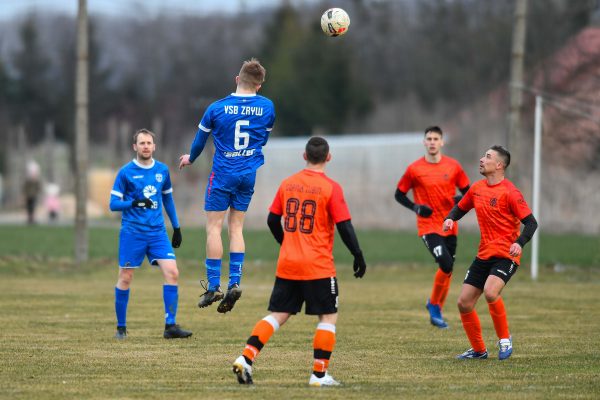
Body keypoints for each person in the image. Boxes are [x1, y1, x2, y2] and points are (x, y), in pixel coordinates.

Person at [231, 137, 367, 387]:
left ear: (304, 156)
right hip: (318, 265)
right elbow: (344, 226)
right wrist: (357, 254)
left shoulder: (288, 183)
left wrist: (286, 242)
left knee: (277, 315)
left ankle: (246, 357)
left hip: (289, 263)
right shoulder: (331, 187)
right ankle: (319, 375)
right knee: (328, 317)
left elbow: (273, 220)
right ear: (328, 158)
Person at [179, 58, 275, 314]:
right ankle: (235, 282)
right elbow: (263, 137)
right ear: (259, 86)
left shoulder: (217, 108)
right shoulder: (267, 107)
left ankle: (214, 286)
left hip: (223, 173)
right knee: (237, 228)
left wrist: (190, 158)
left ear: (237, 79)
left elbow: (199, 142)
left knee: (213, 227)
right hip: (248, 173)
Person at [443, 145, 538, 360]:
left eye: (487, 157)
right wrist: (450, 218)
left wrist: (520, 242)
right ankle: (478, 350)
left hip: (507, 255)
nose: (481, 159)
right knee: (464, 303)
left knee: (491, 292)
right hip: (484, 254)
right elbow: (460, 207)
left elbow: (531, 223)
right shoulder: (477, 188)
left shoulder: (510, 193)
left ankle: (505, 339)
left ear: (499, 165)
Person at [110, 128, 192, 340]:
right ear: (134, 147)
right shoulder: (125, 172)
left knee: (172, 272)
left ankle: (170, 326)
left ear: (154, 147)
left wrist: (177, 227)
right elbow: (113, 204)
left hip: (157, 232)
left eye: (149, 143)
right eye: (142, 143)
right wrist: (134, 202)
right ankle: (121, 328)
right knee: (125, 277)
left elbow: (168, 200)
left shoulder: (162, 170)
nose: (146, 146)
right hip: (132, 233)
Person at [395, 126, 470, 328]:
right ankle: (434, 305)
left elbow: (469, 193)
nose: (432, 142)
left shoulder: (453, 166)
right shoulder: (414, 169)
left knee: (448, 269)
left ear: (442, 142)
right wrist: (416, 207)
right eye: (429, 138)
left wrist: (460, 200)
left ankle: (437, 309)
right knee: (445, 263)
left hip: (449, 225)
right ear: (424, 142)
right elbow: (399, 194)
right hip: (428, 226)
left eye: (436, 138)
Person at [23, 160, 41, 224]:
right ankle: (29, 218)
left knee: (33, 207)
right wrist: (25, 195)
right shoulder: (28, 181)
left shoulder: (36, 181)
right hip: (28, 196)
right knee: (29, 208)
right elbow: (25, 188)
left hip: (34, 195)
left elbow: (39, 188)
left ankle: (32, 219)